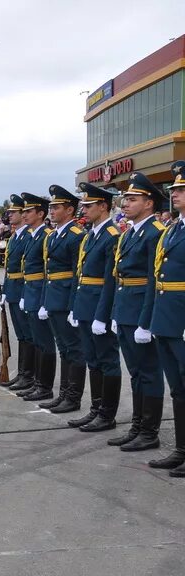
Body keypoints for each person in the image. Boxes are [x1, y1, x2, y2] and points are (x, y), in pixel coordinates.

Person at [107, 172, 167, 453]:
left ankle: (149, 431)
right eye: (125, 199)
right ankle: (137, 426)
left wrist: (146, 322)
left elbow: (154, 280)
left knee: (149, 372)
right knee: (135, 372)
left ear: (149, 203)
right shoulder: (131, 232)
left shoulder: (155, 232)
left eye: (132, 199)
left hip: (141, 309)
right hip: (126, 307)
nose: (125, 204)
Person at [65, 184, 122, 432]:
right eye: (83, 205)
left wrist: (102, 315)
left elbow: (111, 280)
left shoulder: (112, 234)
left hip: (100, 306)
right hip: (86, 304)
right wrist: (75, 308)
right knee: (93, 360)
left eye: (89, 205)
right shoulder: (92, 234)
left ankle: (107, 415)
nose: (84, 209)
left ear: (103, 206)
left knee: (107, 360)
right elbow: (80, 273)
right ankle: (96, 409)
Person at [146, 161, 185, 475]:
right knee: (178, 387)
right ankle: (182, 449)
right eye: (174, 189)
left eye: (181, 189)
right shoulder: (174, 229)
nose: (175, 194)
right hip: (167, 317)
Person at [36, 185, 87, 412]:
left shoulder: (76, 235)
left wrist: (74, 304)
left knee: (74, 349)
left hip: (66, 297)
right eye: (51, 206)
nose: (51, 211)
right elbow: (49, 272)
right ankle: (64, 393)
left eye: (56, 207)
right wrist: (46, 301)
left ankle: (73, 397)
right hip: (55, 297)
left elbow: (78, 273)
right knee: (64, 348)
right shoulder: (55, 235)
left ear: (70, 210)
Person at [16, 194, 58, 401]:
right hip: (30, 291)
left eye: (28, 211)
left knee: (45, 342)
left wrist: (42, 301)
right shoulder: (34, 235)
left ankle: (44, 386)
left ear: (40, 214)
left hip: (40, 293)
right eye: (23, 211)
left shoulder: (45, 235)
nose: (24, 215)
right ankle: (36, 382)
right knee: (37, 341)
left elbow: (46, 271)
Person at [0, 196, 34, 389]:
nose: (9, 215)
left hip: (23, 290)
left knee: (29, 335)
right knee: (21, 335)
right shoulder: (14, 236)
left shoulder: (29, 235)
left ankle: (29, 375)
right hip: (12, 289)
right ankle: (23, 374)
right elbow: (9, 268)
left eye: (14, 212)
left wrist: (22, 294)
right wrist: (4, 290)